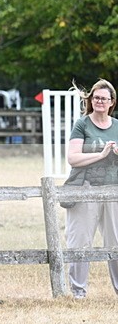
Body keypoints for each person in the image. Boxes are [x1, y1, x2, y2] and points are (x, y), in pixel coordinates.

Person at [65, 79, 118, 299]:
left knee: (115, 242)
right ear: (91, 100)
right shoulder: (82, 124)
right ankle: (79, 293)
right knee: (80, 242)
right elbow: (72, 158)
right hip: (86, 188)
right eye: (95, 97)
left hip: (113, 190)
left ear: (111, 102)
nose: (99, 101)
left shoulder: (117, 126)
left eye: (103, 98)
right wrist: (100, 155)